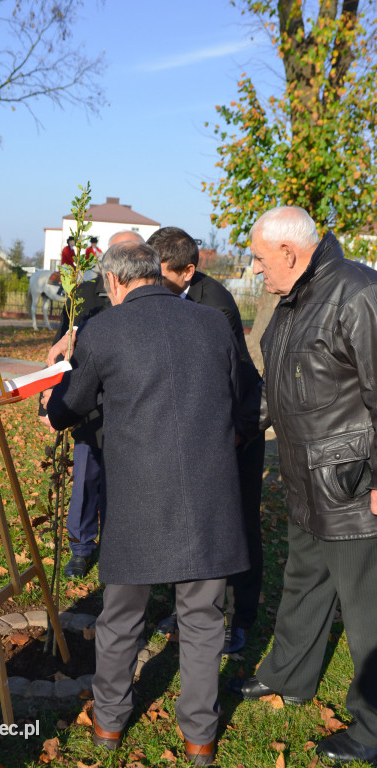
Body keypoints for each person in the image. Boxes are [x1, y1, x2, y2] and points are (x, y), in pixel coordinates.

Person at [45, 241, 250, 765]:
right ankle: (200, 738)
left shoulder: (104, 329)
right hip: (210, 494)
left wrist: (52, 408)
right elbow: (245, 396)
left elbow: (70, 404)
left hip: (138, 500)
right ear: (156, 275)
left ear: (115, 282)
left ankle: (109, 724)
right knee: (203, 620)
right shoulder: (212, 323)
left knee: (121, 618)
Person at [228, 206, 377, 766]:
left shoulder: (359, 293)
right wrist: (241, 431)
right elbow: (281, 385)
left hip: (353, 486)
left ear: (289, 253)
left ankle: (372, 727)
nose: (256, 271)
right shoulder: (294, 300)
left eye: (261, 260)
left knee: (368, 613)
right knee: (303, 583)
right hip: (303, 480)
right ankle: (289, 676)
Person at [147, 227, 264, 654]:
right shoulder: (166, 295)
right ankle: (190, 609)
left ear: (188, 271)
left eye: (159, 273)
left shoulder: (215, 306)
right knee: (193, 524)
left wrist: (229, 436)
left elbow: (226, 382)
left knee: (239, 528)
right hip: (198, 432)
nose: (150, 281)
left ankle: (240, 618)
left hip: (236, 430)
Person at [46, 231, 144, 579]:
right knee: (85, 480)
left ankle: (120, 543)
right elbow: (59, 348)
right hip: (87, 405)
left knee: (126, 484)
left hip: (131, 408)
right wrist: (50, 404)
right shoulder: (84, 294)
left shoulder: (143, 300)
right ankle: (81, 547)